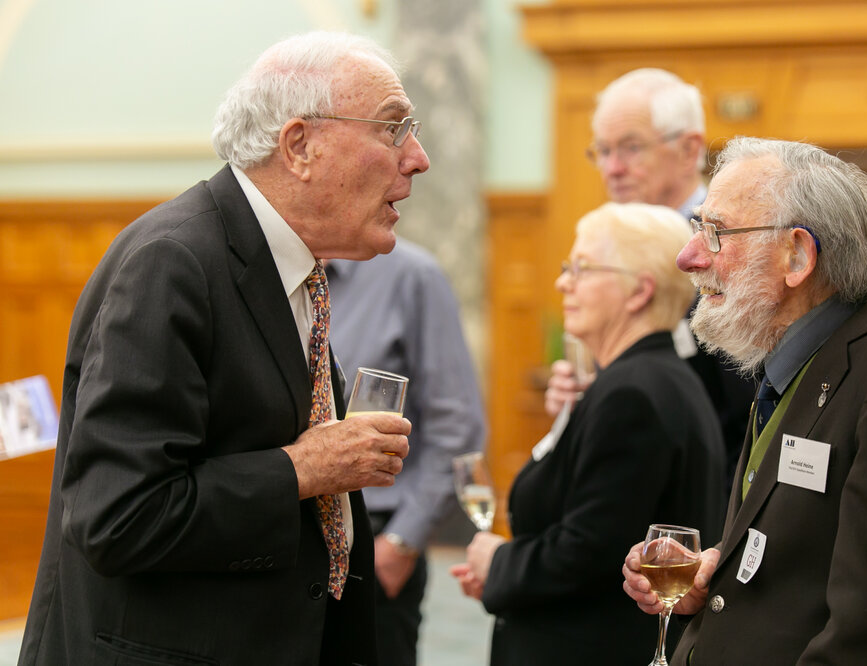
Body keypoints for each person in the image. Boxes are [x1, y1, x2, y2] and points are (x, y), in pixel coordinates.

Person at [19, 31, 430, 666]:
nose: (418, 158)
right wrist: (303, 468)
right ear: (300, 146)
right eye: (393, 129)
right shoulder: (171, 262)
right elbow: (118, 516)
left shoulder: (293, 267)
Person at [622, 137, 867, 665]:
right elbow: (810, 551)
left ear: (797, 254)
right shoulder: (799, 348)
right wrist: (716, 571)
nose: (689, 256)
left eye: (715, 232)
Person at [451, 202, 728, 665]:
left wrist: (498, 562)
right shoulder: (648, 379)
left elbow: (590, 553)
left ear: (639, 291)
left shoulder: (632, 394)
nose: (563, 283)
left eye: (581, 268)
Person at [563, 67, 757, 483]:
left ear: (689, 150)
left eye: (631, 148)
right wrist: (588, 398)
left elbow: (750, 413)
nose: (612, 168)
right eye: (603, 151)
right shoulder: (608, 245)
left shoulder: (731, 245)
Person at [325, 237, 486, 666]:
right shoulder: (276, 271)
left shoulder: (413, 276)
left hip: (374, 539)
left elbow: (458, 424)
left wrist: (402, 541)